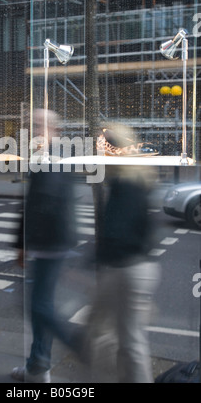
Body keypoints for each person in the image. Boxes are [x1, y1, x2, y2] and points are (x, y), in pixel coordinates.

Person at [11, 109, 80, 383]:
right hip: (51, 243)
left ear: (55, 130)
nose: (36, 131)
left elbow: (41, 204)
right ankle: (38, 367)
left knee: (39, 307)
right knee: (40, 304)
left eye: (41, 126)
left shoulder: (50, 158)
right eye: (33, 126)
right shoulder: (49, 156)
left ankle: (73, 346)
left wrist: (25, 244)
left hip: (48, 243)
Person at [89, 163, 161, 383]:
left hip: (126, 269)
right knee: (123, 337)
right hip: (134, 267)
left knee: (128, 341)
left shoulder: (125, 184)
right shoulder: (135, 181)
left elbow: (116, 229)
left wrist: (94, 260)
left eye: (106, 146)